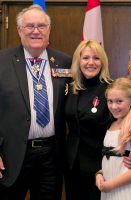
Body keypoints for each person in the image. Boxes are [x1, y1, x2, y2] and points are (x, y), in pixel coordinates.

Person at [0, 5, 71, 200]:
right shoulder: (2, 62)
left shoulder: (65, 62)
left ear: (49, 30)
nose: (36, 31)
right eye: (30, 26)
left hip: (51, 155)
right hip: (11, 155)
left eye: (41, 26)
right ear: (19, 30)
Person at [64, 40, 131, 200]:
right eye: (85, 58)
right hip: (72, 165)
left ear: (103, 62)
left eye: (96, 58)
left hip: (102, 166)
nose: (90, 62)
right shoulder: (70, 88)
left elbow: (129, 122)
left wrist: (130, 153)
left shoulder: (111, 89)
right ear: (78, 61)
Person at [95, 77, 131, 200]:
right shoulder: (112, 124)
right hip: (108, 189)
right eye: (110, 101)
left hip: (125, 190)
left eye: (119, 101)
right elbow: (111, 159)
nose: (113, 106)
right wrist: (100, 174)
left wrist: (111, 185)